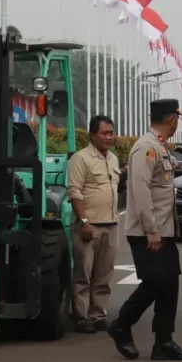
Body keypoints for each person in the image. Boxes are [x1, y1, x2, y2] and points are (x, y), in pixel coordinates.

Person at [108, 99, 182, 362]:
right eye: (177, 118)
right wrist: (152, 230)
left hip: (164, 230)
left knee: (170, 284)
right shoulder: (146, 147)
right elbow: (140, 189)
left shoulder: (159, 146)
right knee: (155, 282)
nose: (177, 122)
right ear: (171, 119)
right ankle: (122, 324)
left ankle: (164, 342)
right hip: (149, 232)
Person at [67, 115, 121, 334]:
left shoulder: (114, 159)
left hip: (111, 224)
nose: (109, 137)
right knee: (83, 275)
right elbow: (74, 192)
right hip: (88, 227)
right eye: (104, 133)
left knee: (104, 275)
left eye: (111, 132)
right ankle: (81, 318)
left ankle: (98, 315)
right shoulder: (80, 159)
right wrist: (84, 222)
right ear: (92, 135)